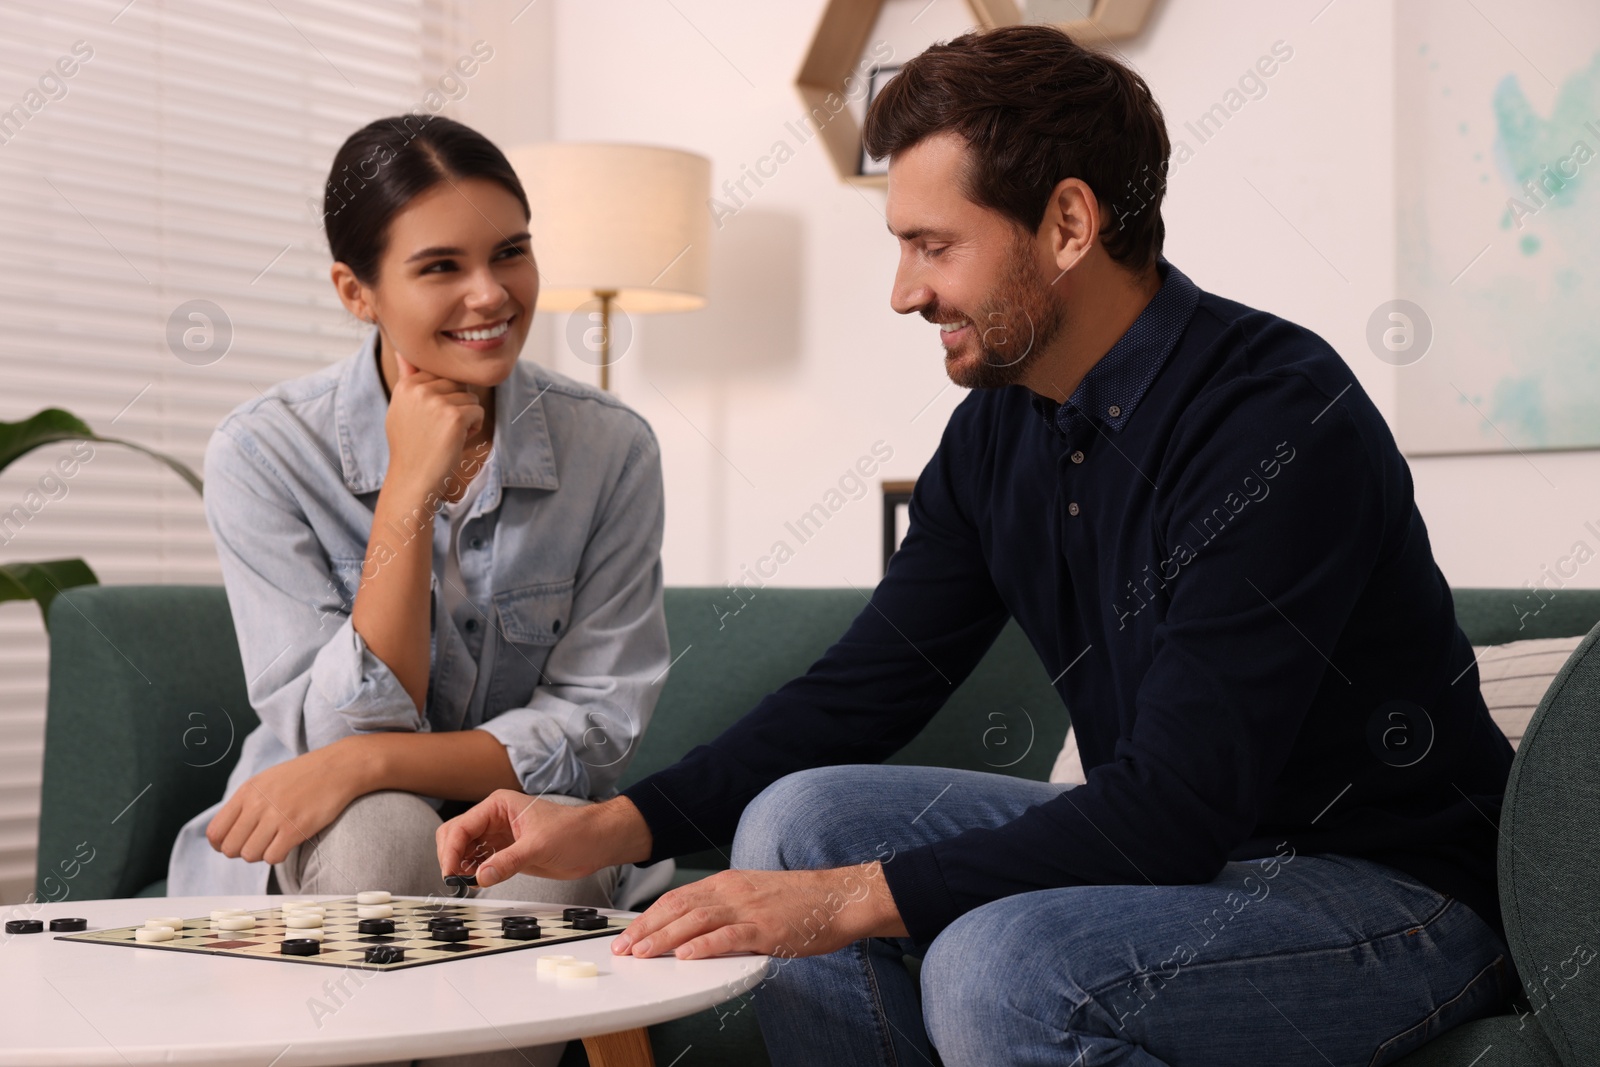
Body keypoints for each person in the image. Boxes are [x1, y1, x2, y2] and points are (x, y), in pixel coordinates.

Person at [436, 25, 1518, 1067]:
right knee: (796, 817)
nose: (905, 291)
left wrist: (843, 901)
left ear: (1067, 224)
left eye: (932, 245)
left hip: (1391, 888)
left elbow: (1174, 813)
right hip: (1202, 859)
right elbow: (863, 689)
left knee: (1000, 966)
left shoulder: (1274, 420)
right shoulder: (1002, 427)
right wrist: (610, 826)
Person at [167, 115, 670, 923]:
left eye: (511, 251)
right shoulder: (265, 452)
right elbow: (329, 731)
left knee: (548, 865)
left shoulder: (611, 448)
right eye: (442, 266)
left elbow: (595, 728)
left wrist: (367, 760)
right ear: (355, 291)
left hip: (520, 808)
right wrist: (407, 488)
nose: (492, 294)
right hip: (321, 827)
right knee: (381, 839)